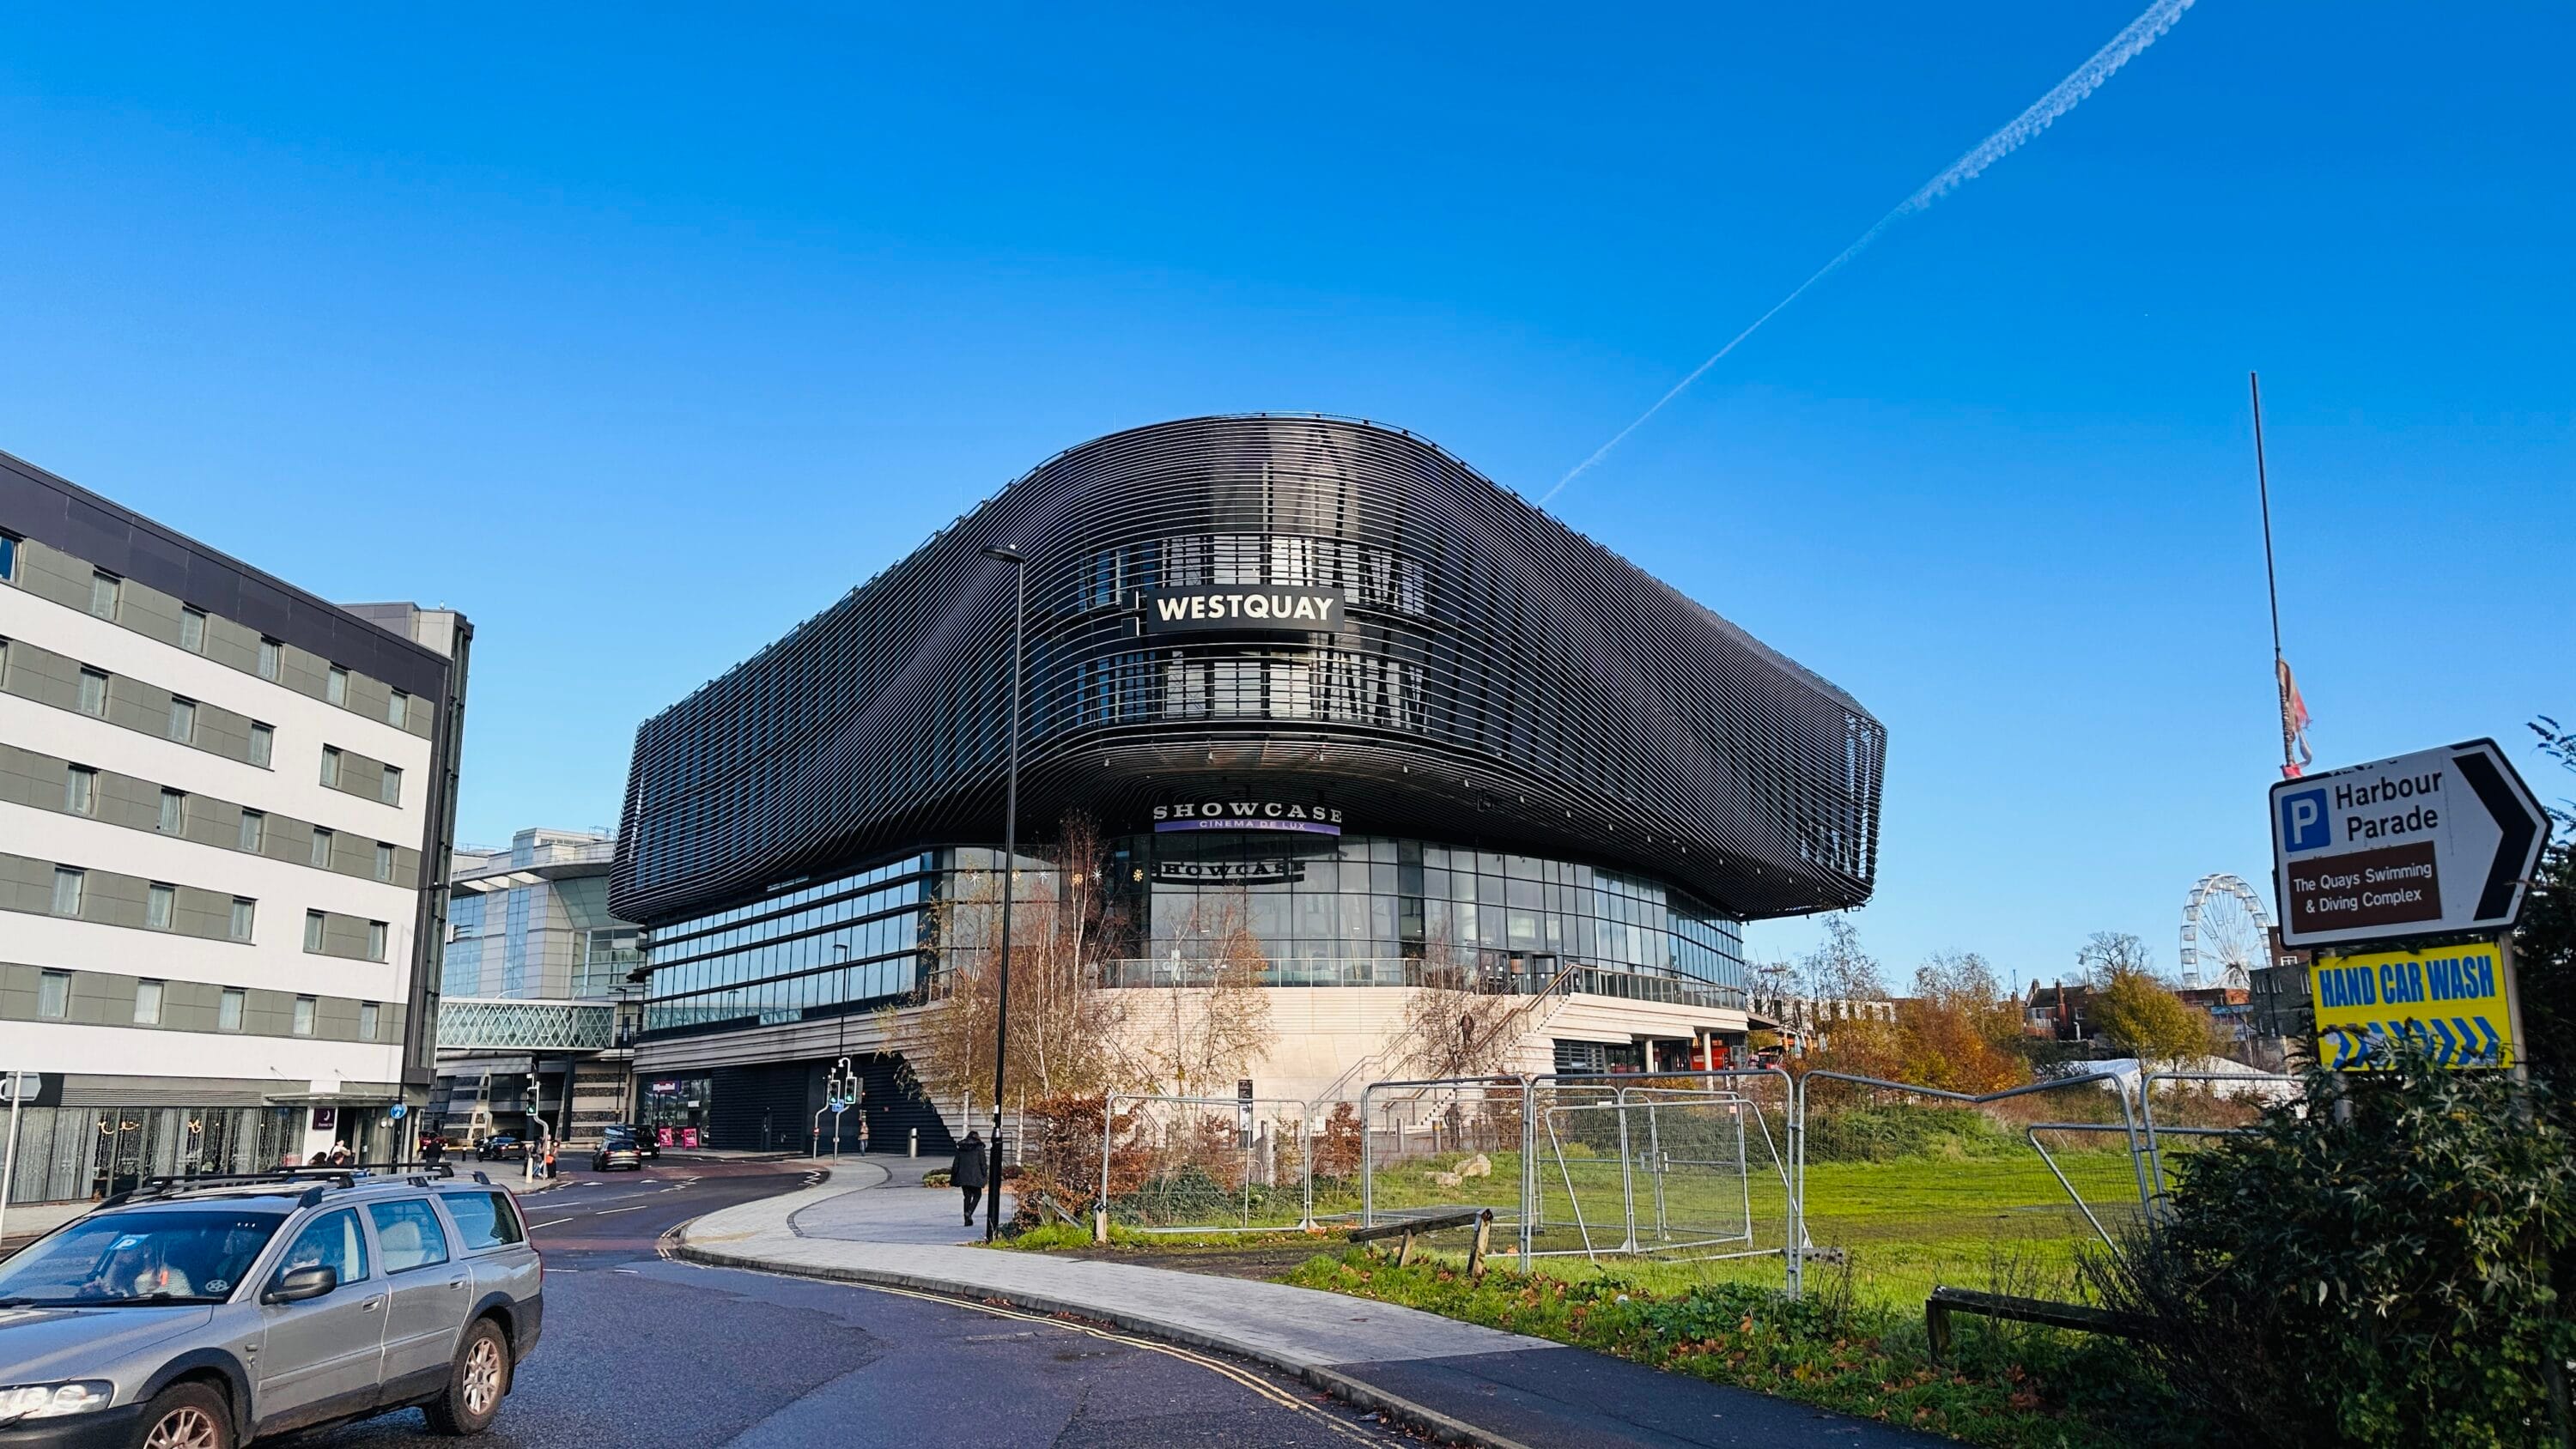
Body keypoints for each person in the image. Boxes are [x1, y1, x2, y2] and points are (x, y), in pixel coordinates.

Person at [951, 1131, 989, 1228]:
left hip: (963, 1176)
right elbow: (983, 1163)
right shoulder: (979, 1148)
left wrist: (954, 1176)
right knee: (977, 1195)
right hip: (976, 1176)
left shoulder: (961, 1147)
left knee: (967, 1197)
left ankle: (967, 1219)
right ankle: (969, 1212)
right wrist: (984, 1174)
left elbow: (956, 1163)